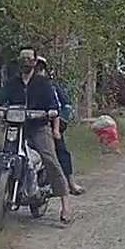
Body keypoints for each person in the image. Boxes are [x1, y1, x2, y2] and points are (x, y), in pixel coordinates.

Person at [0, 48, 72, 224]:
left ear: (34, 62)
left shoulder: (43, 83)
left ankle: (65, 205)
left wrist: (51, 111)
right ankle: (1, 184)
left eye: (29, 59)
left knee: (50, 158)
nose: (26, 62)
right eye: (23, 59)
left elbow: (53, 104)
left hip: (38, 127)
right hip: (15, 127)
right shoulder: (12, 83)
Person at [45, 61, 85, 195]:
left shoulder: (51, 87)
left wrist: (57, 126)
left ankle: (70, 183)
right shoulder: (23, 85)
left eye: (40, 69)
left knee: (60, 149)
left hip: (49, 123)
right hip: (25, 123)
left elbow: (64, 105)